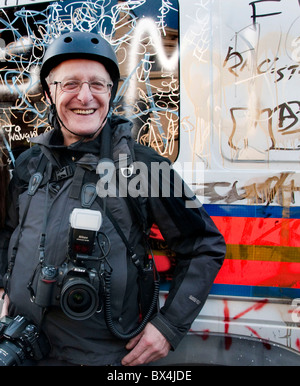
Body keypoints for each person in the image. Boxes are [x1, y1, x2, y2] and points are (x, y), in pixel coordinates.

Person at [0, 31, 226, 366]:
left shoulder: (144, 167)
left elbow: (204, 244)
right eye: (70, 84)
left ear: (111, 92)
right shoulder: (29, 166)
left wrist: (168, 325)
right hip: (22, 349)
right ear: (50, 92)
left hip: (104, 358)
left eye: (97, 84)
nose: (85, 96)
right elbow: (7, 234)